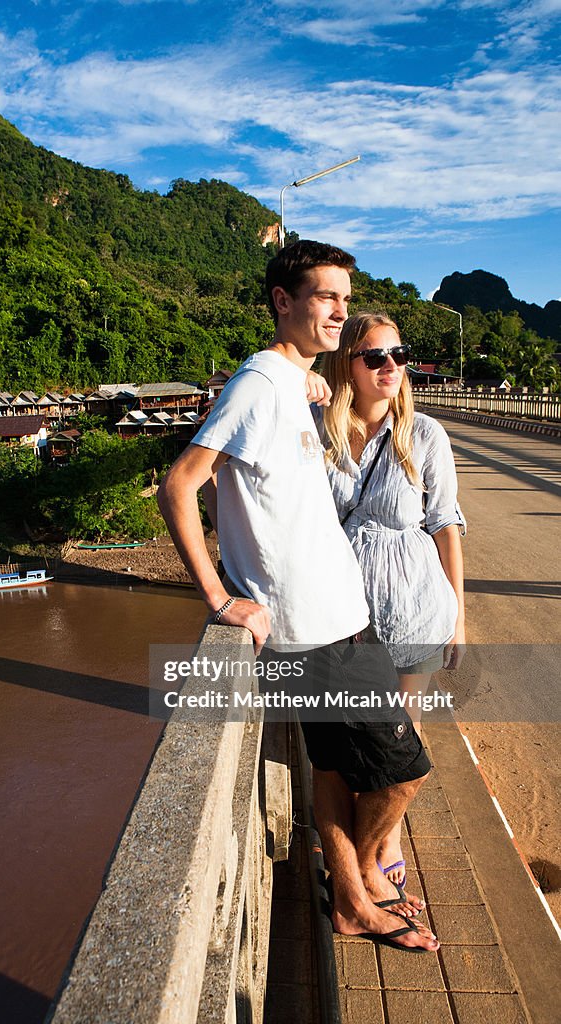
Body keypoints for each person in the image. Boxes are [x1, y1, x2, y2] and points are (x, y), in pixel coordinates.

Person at [158, 241, 439, 952]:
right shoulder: (257, 383)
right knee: (403, 773)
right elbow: (182, 484)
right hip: (316, 632)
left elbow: (259, 471)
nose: (339, 311)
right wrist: (221, 598)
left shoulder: (290, 380)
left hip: (338, 617)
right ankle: (373, 869)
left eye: (346, 298)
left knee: (341, 774)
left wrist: (308, 380)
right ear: (283, 301)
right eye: (324, 297)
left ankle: (350, 902)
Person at [317, 310, 466, 888]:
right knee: (351, 733)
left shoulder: (424, 434)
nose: (391, 367)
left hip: (415, 607)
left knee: (403, 728)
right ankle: (359, 858)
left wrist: (459, 616)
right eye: (376, 357)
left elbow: (446, 526)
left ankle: (379, 842)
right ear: (346, 365)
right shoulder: (315, 430)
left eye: (399, 356)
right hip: (340, 612)